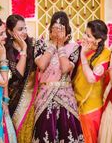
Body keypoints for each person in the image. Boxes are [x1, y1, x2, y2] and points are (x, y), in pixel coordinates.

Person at [32, 11, 84, 142]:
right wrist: (52, 46)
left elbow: (66, 68)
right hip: (45, 96)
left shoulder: (74, 48)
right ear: (50, 29)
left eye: (61, 28)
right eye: (55, 27)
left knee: (67, 133)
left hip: (65, 96)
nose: (57, 32)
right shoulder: (41, 44)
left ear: (67, 30)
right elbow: (42, 65)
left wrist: (60, 46)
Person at [72, 20, 110, 143]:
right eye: (85, 33)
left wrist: (83, 56)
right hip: (76, 102)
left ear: (98, 40)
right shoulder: (80, 47)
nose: (84, 37)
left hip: (91, 106)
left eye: (88, 36)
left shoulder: (105, 54)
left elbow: (92, 78)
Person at [5, 14, 36, 143]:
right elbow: (18, 74)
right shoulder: (7, 49)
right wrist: (23, 49)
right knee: (17, 129)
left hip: (32, 94)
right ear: (10, 31)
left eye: (25, 28)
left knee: (30, 130)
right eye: (20, 29)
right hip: (15, 95)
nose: (24, 32)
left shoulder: (33, 44)